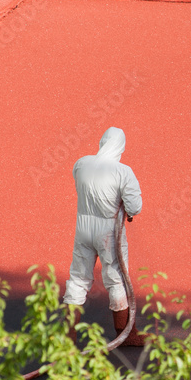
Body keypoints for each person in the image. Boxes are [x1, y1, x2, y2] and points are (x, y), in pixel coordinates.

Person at [63, 127, 146, 345]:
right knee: (117, 279)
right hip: (109, 231)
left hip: (83, 227)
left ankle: (69, 336)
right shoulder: (122, 171)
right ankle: (124, 334)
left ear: (102, 142)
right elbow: (135, 207)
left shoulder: (81, 164)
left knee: (78, 278)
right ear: (121, 147)